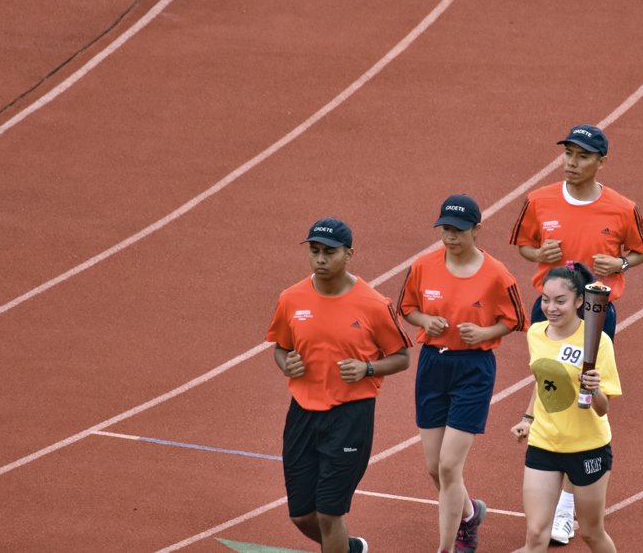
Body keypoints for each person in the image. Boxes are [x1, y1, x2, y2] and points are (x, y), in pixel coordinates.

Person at [509, 123, 643, 542]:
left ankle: (570, 503)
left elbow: (642, 251)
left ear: (600, 162)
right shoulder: (539, 200)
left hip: (595, 311)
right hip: (550, 305)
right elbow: (523, 245)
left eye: (582, 156)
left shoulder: (622, 208)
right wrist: (539, 254)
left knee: (588, 394)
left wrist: (620, 266)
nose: (572, 163)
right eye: (568, 154)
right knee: (552, 380)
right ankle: (540, 437)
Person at [266, 217, 413, 553]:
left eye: (329, 252)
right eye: (315, 251)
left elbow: (402, 357)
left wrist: (368, 367)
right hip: (302, 413)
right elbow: (280, 348)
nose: (320, 259)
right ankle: (349, 549)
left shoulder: (375, 305)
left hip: (350, 417)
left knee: (330, 513)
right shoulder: (291, 299)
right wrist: (285, 363)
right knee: (303, 515)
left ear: (349, 254)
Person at [398, 195, 528, 553]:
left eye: (458, 230)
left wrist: (485, 333)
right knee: (433, 467)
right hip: (433, 365)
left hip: (473, 369)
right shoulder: (424, 266)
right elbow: (406, 307)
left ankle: (448, 546)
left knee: (449, 465)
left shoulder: (496, 274)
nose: (450, 237)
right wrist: (426, 320)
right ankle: (469, 513)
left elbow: (516, 319)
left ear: (477, 230)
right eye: (445, 230)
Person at [510, 262, 621, 553]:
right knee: (535, 535)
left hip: (587, 446)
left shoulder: (599, 343)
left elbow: (602, 409)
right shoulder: (536, 333)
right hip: (545, 442)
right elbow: (543, 380)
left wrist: (594, 388)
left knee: (592, 534)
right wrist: (528, 418)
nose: (551, 308)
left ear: (579, 302)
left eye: (560, 301)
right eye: (546, 300)